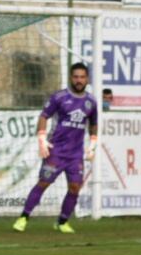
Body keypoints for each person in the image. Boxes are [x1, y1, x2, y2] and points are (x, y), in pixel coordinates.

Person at [13, 62, 98, 234]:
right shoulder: (59, 97)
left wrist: (93, 144)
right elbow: (44, 116)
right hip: (56, 151)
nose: (79, 80)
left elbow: (93, 124)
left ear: (87, 79)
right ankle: (23, 217)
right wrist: (42, 138)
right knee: (44, 182)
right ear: (70, 78)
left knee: (75, 187)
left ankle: (62, 221)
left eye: (82, 77)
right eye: (76, 77)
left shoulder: (91, 102)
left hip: (75, 154)